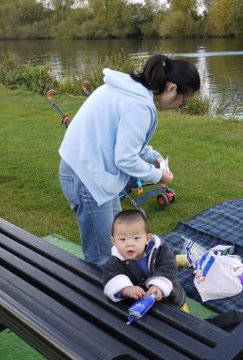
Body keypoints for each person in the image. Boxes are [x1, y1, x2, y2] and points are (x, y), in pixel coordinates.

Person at [58, 54, 200, 267]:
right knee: (102, 257)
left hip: (88, 170)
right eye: (183, 101)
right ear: (172, 88)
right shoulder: (139, 104)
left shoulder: (129, 88)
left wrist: (154, 157)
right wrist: (159, 175)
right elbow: (125, 158)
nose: (181, 105)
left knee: (118, 239)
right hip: (86, 176)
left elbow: (124, 141)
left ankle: (118, 283)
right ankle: (100, 295)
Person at [102, 210, 186, 310]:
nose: (129, 244)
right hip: (141, 306)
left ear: (147, 239)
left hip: (170, 299)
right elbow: (111, 278)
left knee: (185, 320)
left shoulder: (159, 250)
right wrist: (125, 289)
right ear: (114, 241)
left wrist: (158, 285)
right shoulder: (115, 262)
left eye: (136, 238)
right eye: (122, 239)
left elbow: (169, 266)